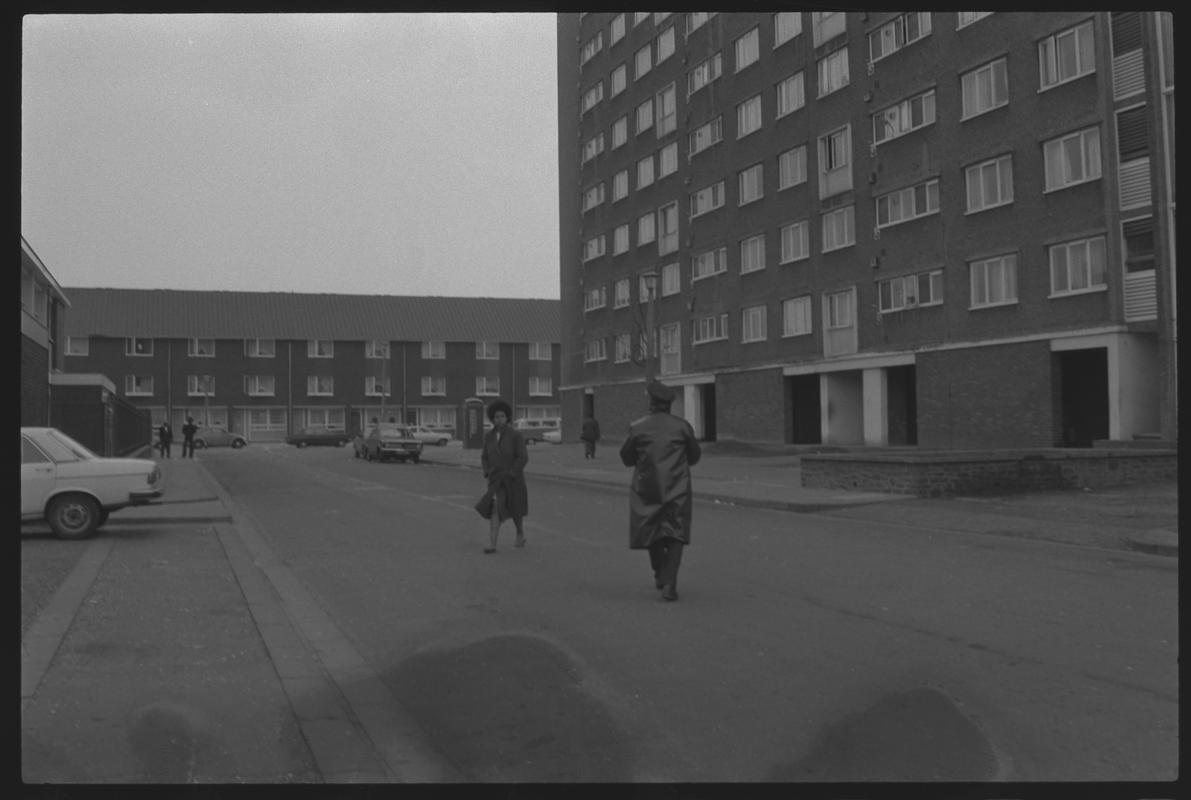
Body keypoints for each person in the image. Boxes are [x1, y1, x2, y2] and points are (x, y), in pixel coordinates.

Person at [619, 380, 701, 602]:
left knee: (650, 529)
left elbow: (626, 458)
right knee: (676, 533)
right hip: (678, 488)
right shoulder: (683, 427)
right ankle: (670, 583)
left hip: (647, 488)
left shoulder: (638, 427)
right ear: (669, 404)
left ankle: (659, 571)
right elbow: (694, 457)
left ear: (651, 403)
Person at [480, 399, 529, 553]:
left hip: (513, 479)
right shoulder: (489, 437)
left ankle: (519, 532)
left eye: (502, 416)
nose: (499, 419)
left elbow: (523, 457)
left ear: (507, 417)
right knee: (495, 507)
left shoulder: (516, 435)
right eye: (496, 417)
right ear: (492, 419)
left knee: (516, 509)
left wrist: (513, 472)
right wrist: (487, 471)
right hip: (496, 479)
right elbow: (484, 456)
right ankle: (492, 544)